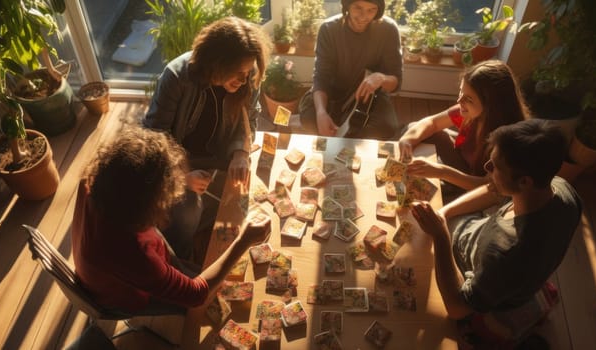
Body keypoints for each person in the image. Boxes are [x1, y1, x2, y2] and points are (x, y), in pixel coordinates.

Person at [410, 119, 582, 346]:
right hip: (490, 253)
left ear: (524, 181)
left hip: (477, 275)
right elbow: (495, 191)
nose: (486, 169)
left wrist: (441, 236)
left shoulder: (507, 252)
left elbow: (457, 309)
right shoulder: (561, 189)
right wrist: (445, 212)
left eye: (495, 166)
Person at [72, 127, 271, 314]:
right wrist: (243, 241)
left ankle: (189, 266)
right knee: (212, 300)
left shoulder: (95, 180)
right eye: (164, 194)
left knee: (202, 271)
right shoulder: (134, 253)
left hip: (107, 268)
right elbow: (196, 295)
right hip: (128, 297)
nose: (171, 194)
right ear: (142, 207)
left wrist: (184, 179)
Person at [143, 17, 271, 261]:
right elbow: (154, 139)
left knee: (249, 198)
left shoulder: (248, 74)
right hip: (179, 163)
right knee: (188, 211)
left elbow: (249, 121)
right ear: (217, 63)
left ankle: (203, 231)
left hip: (219, 158)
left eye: (248, 72)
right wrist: (181, 177)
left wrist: (241, 153)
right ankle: (178, 262)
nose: (245, 80)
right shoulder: (176, 76)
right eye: (239, 72)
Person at [399, 60, 530, 192]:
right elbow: (432, 123)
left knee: (425, 191)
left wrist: (441, 172)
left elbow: (490, 186)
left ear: (491, 105)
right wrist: (407, 140)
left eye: (469, 98)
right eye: (461, 92)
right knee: (414, 128)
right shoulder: (468, 112)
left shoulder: (508, 138)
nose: (459, 100)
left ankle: (450, 188)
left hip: (473, 183)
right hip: (463, 161)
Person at [298, 0, 402, 140]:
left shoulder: (388, 29)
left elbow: (396, 82)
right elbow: (321, 78)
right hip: (333, 93)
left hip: (370, 97)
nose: (364, 16)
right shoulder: (328, 29)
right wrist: (321, 113)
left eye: (371, 10)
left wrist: (381, 78)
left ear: (379, 10)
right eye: (358, 8)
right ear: (347, 5)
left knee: (385, 129)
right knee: (311, 119)